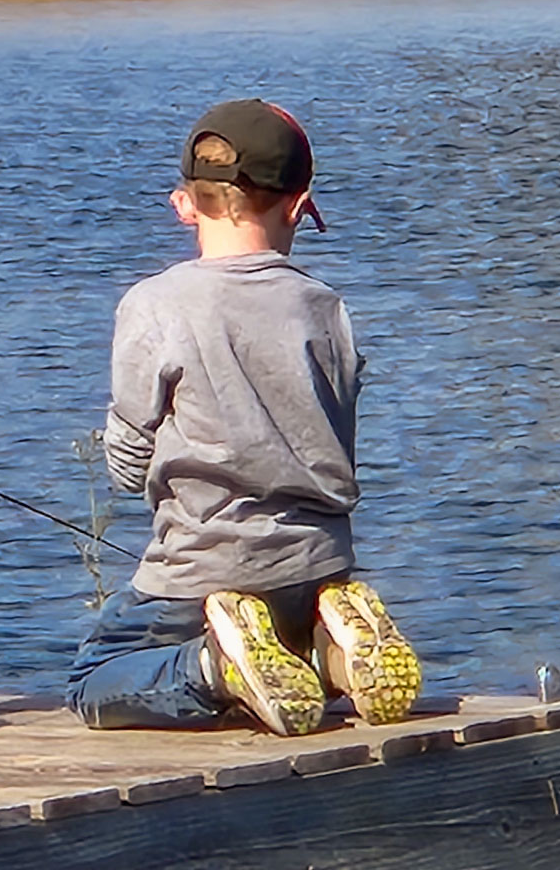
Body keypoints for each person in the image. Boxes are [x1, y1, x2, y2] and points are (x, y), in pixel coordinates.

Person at [64, 100, 421, 737]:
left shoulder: (155, 303)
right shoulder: (325, 308)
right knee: (284, 641)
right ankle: (328, 651)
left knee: (94, 680)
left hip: (204, 573)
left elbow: (125, 467)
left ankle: (214, 667)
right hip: (317, 565)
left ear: (184, 204)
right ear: (300, 206)